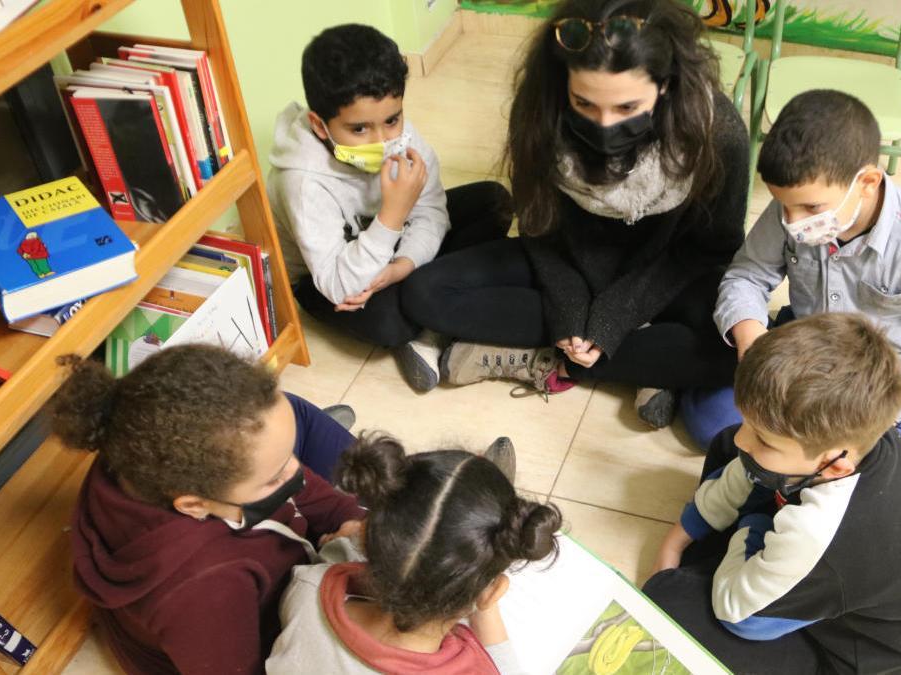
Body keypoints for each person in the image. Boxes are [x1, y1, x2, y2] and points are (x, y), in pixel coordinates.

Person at [401, 0, 749, 428]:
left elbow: (712, 248)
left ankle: (565, 363)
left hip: (661, 272)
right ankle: (648, 364)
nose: (605, 126)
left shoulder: (717, 131)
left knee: (740, 345)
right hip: (570, 260)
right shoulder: (539, 112)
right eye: (584, 104)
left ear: (667, 85)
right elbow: (538, 226)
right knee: (425, 292)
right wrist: (566, 310)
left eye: (626, 108)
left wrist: (612, 320)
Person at [647, 313, 901, 674]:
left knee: (668, 602)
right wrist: (677, 539)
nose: (742, 437)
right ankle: (743, 562)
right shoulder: (852, 437)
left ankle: (742, 563)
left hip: (839, 658)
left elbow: (739, 615)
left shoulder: (821, 532)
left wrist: (755, 521)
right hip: (831, 579)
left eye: (763, 438)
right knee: (729, 451)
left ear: (836, 462)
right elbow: (741, 462)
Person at [693, 89, 901, 471]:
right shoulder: (794, 205)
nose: (794, 223)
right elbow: (748, 274)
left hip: (884, 390)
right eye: (785, 206)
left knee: (887, 481)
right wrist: (751, 340)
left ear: (866, 182)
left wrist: (888, 413)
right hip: (801, 363)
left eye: (812, 208)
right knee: (714, 428)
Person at [52, 344, 363, 674]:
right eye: (274, 477)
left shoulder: (134, 451)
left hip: (249, 543)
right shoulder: (203, 591)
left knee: (292, 420)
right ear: (194, 505)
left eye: (288, 455)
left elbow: (302, 484)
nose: (296, 470)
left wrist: (349, 519)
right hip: (235, 636)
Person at [268, 24, 514, 393]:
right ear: (320, 126)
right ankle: (431, 319)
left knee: (494, 201)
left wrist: (403, 267)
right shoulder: (301, 181)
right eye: (359, 129)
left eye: (391, 120)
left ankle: (428, 311)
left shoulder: (401, 134)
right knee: (389, 323)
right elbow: (337, 285)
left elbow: (432, 211)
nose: (383, 141)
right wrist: (392, 217)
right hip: (329, 279)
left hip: (388, 258)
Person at [267, 434, 560, 674]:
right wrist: (484, 599)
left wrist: (344, 540)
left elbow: (339, 556)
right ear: (492, 591)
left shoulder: (308, 587)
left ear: (367, 538)